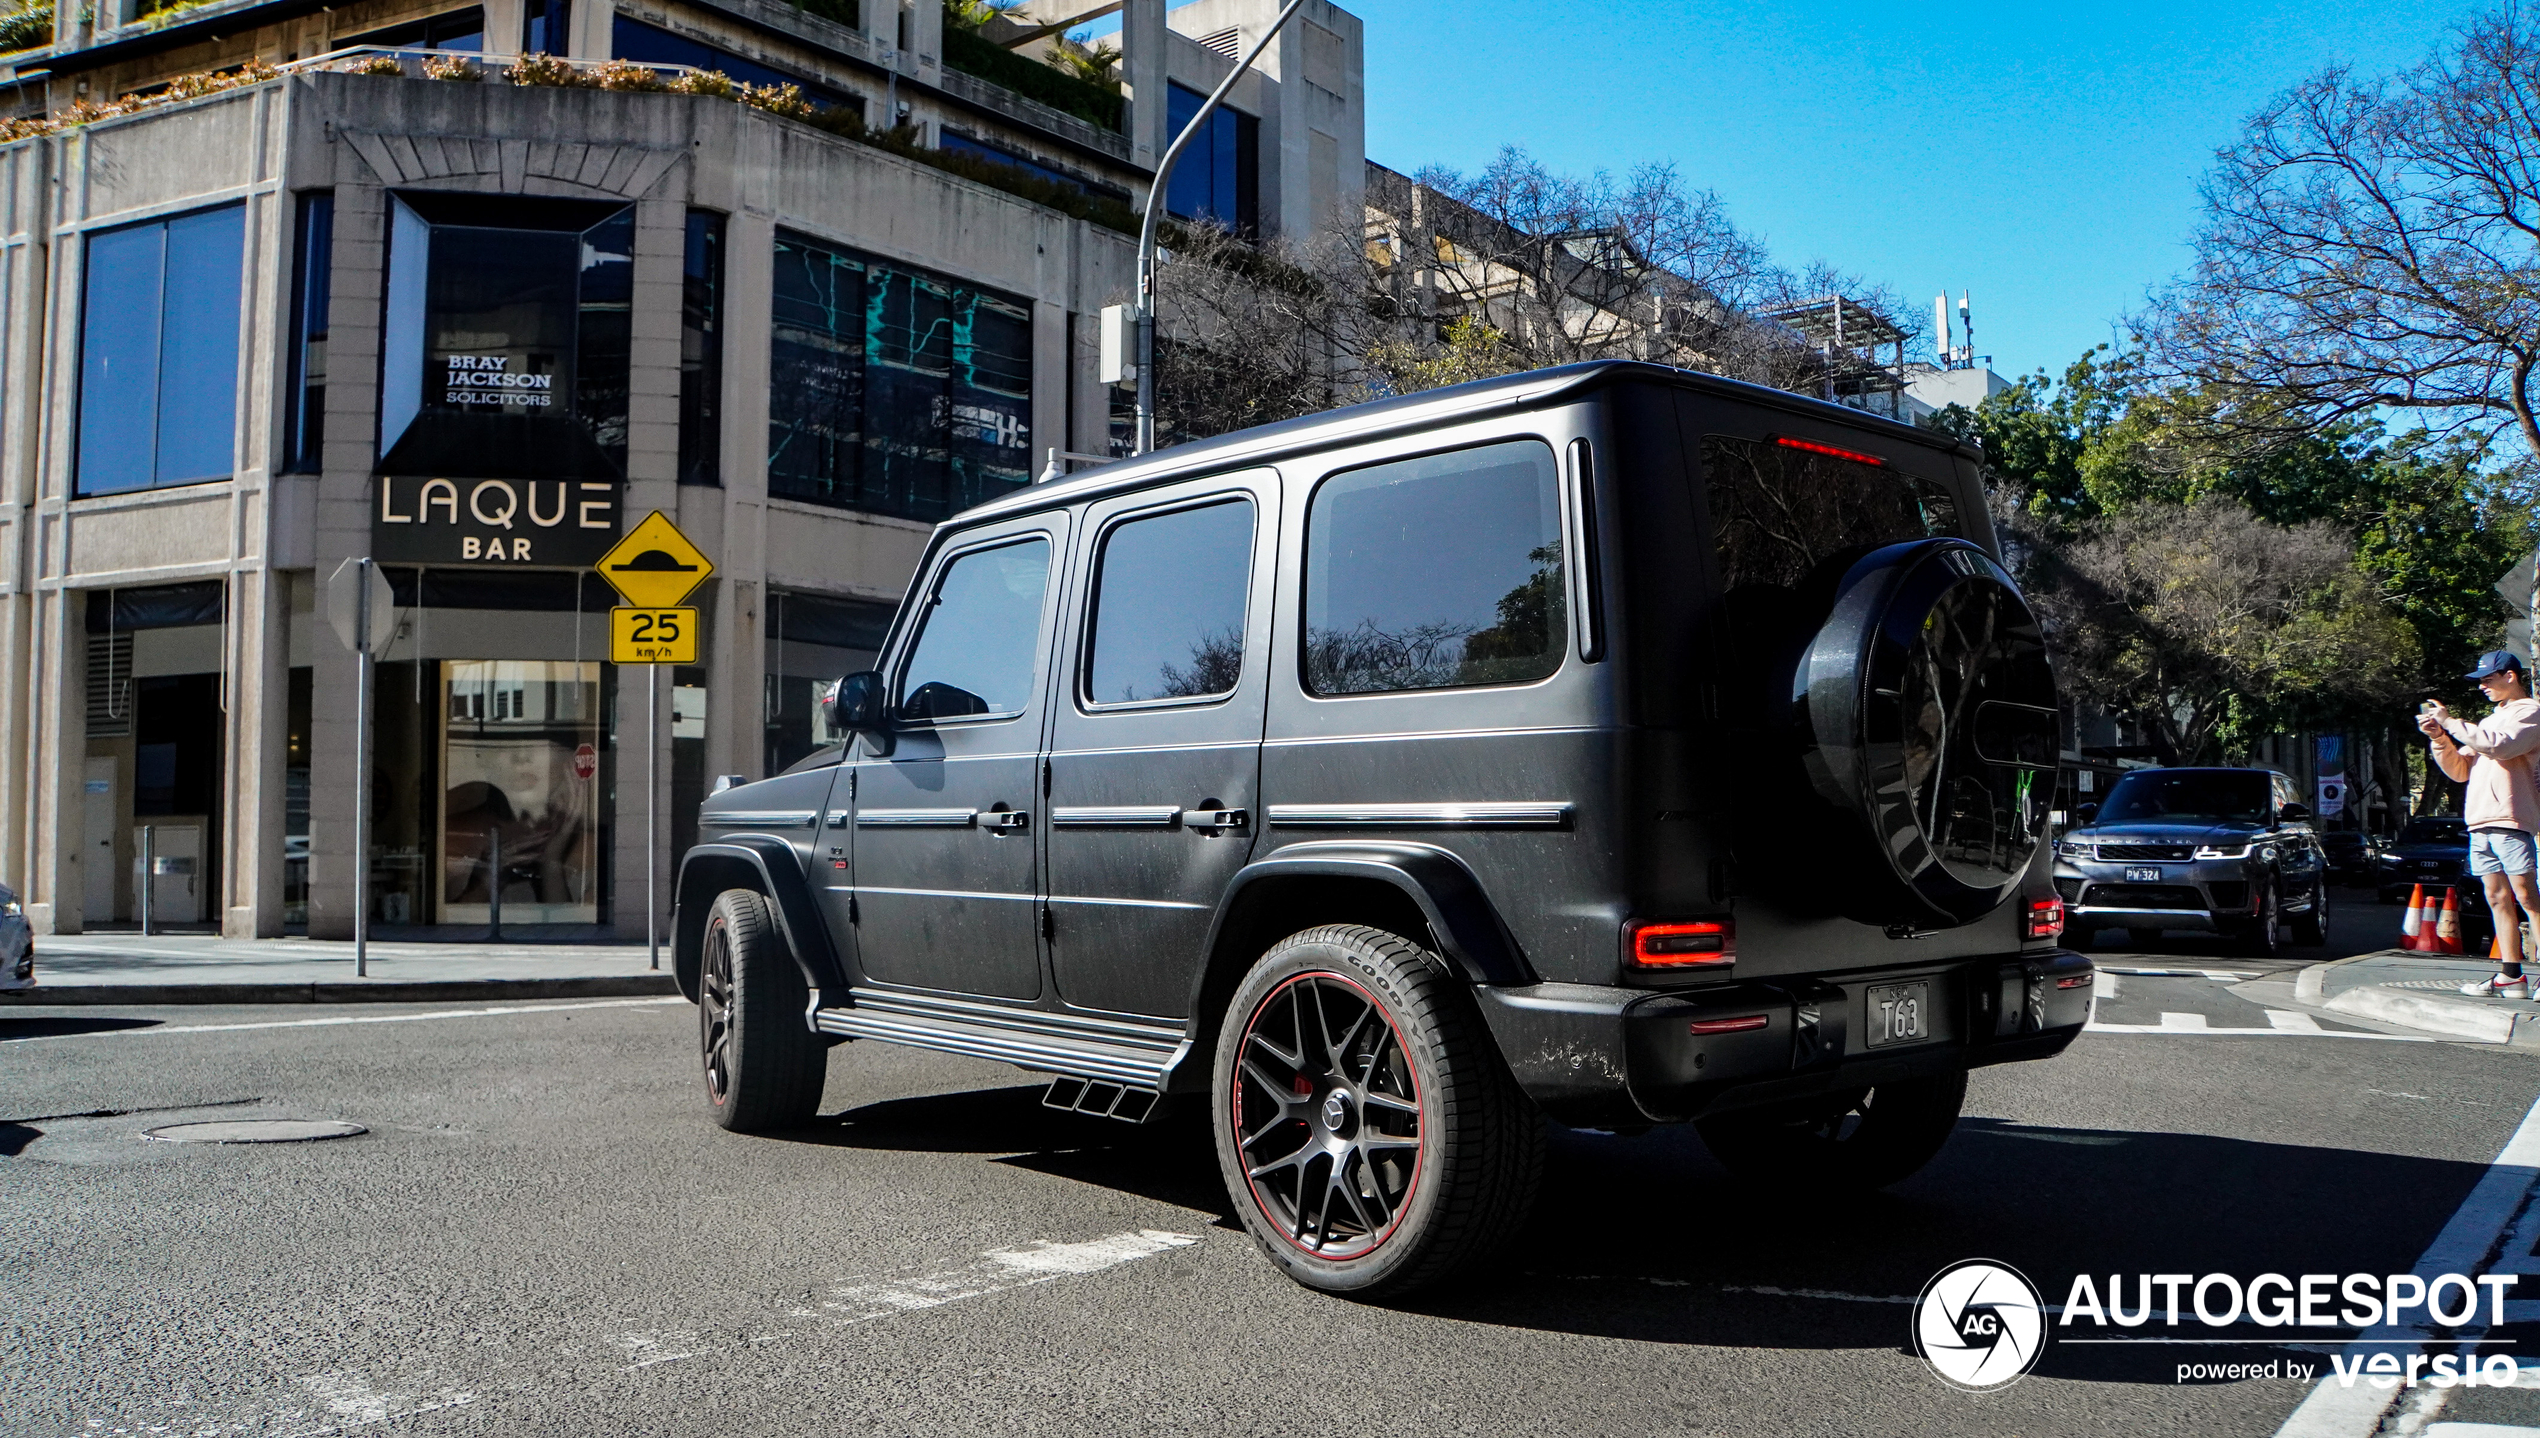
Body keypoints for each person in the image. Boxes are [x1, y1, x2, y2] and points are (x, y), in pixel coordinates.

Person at [2421, 651, 2540, 997]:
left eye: (2488, 679)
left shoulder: (2530, 713)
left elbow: (2499, 748)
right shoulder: (2488, 721)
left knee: (2528, 897)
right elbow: (2460, 770)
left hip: (2512, 818)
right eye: (2481, 681)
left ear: (2511, 677)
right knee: (2497, 897)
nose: (2483, 686)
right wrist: (2439, 738)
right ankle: (2510, 975)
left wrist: (2452, 723)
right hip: (2480, 821)